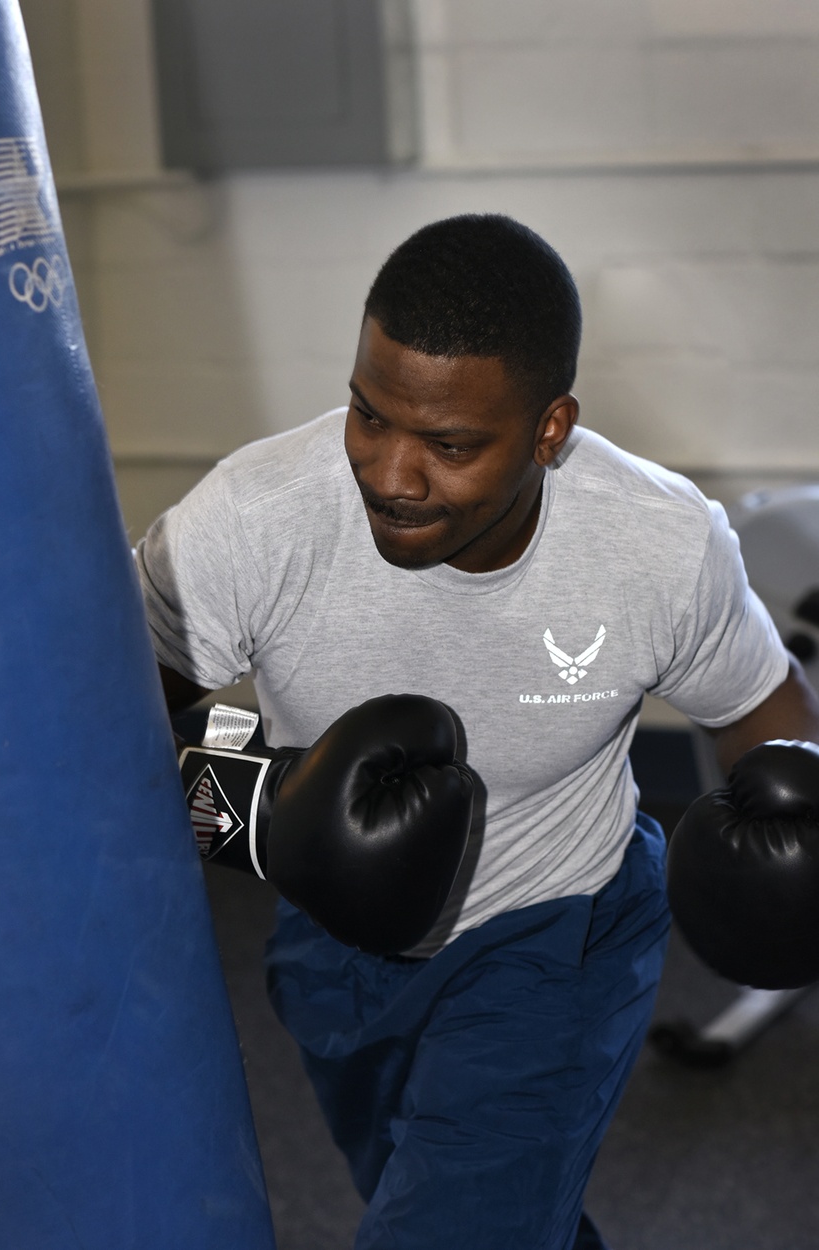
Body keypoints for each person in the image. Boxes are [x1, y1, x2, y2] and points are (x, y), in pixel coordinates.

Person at [135, 214, 819, 1250]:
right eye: (370, 415)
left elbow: (763, 711)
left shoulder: (658, 543)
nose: (393, 473)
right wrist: (262, 808)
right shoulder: (252, 519)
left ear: (550, 429)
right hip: (337, 941)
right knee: (472, 1208)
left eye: (450, 444)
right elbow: (91, 723)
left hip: (557, 941)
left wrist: (796, 827)